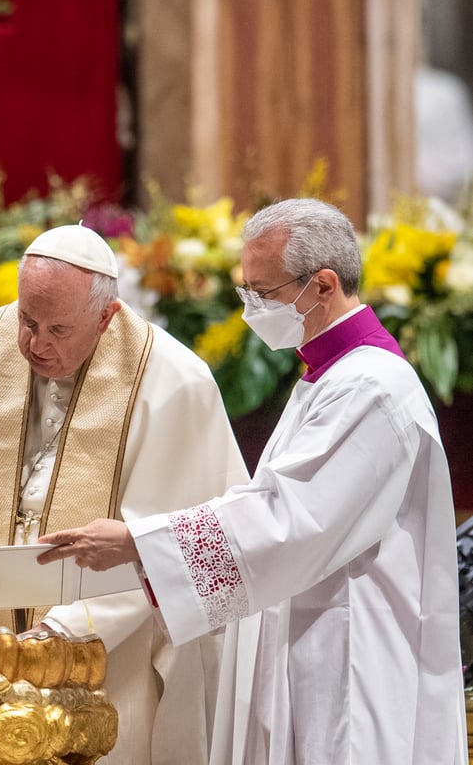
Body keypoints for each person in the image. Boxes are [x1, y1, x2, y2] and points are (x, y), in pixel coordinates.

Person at [36, 198, 467, 764]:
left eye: (262, 293)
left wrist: (138, 543)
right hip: (313, 635)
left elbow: (290, 519)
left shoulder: (371, 388)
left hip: (349, 653)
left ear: (323, 285)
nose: (250, 310)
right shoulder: (331, 376)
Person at [0, 224, 249, 765]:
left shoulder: (173, 382)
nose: (35, 344)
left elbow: (172, 541)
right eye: (27, 320)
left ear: (106, 317)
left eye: (58, 329)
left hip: (108, 651)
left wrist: (61, 631)